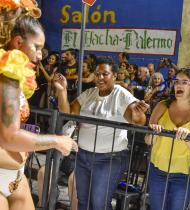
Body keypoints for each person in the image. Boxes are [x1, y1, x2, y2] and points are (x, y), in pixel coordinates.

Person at [0, 1, 77, 210]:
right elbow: (9, 137)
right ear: (18, 42)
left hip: (16, 179)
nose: (40, 55)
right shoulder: (4, 75)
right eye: (37, 47)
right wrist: (57, 141)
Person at [54, 56, 149, 210]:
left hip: (110, 158)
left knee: (99, 204)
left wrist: (139, 112)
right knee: (83, 202)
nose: (100, 78)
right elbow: (68, 113)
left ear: (115, 76)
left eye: (105, 74)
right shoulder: (90, 93)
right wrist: (62, 90)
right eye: (97, 74)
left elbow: (137, 120)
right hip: (83, 156)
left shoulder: (121, 94)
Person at [145, 68, 190, 210]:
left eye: (184, 82)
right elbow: (148, 140)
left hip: (183, 174)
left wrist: (188, 138)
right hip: (157, 170)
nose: (178, 85)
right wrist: (154, 133)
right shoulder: (162, 105)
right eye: (176, 81)